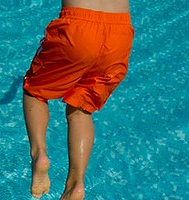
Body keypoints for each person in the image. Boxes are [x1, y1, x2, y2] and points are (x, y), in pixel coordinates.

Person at [22, 0, 134, 199]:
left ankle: (39, 154)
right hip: (120, 33)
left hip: (79, 26)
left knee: (34, 91)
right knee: (82, 108)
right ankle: (76, 184)